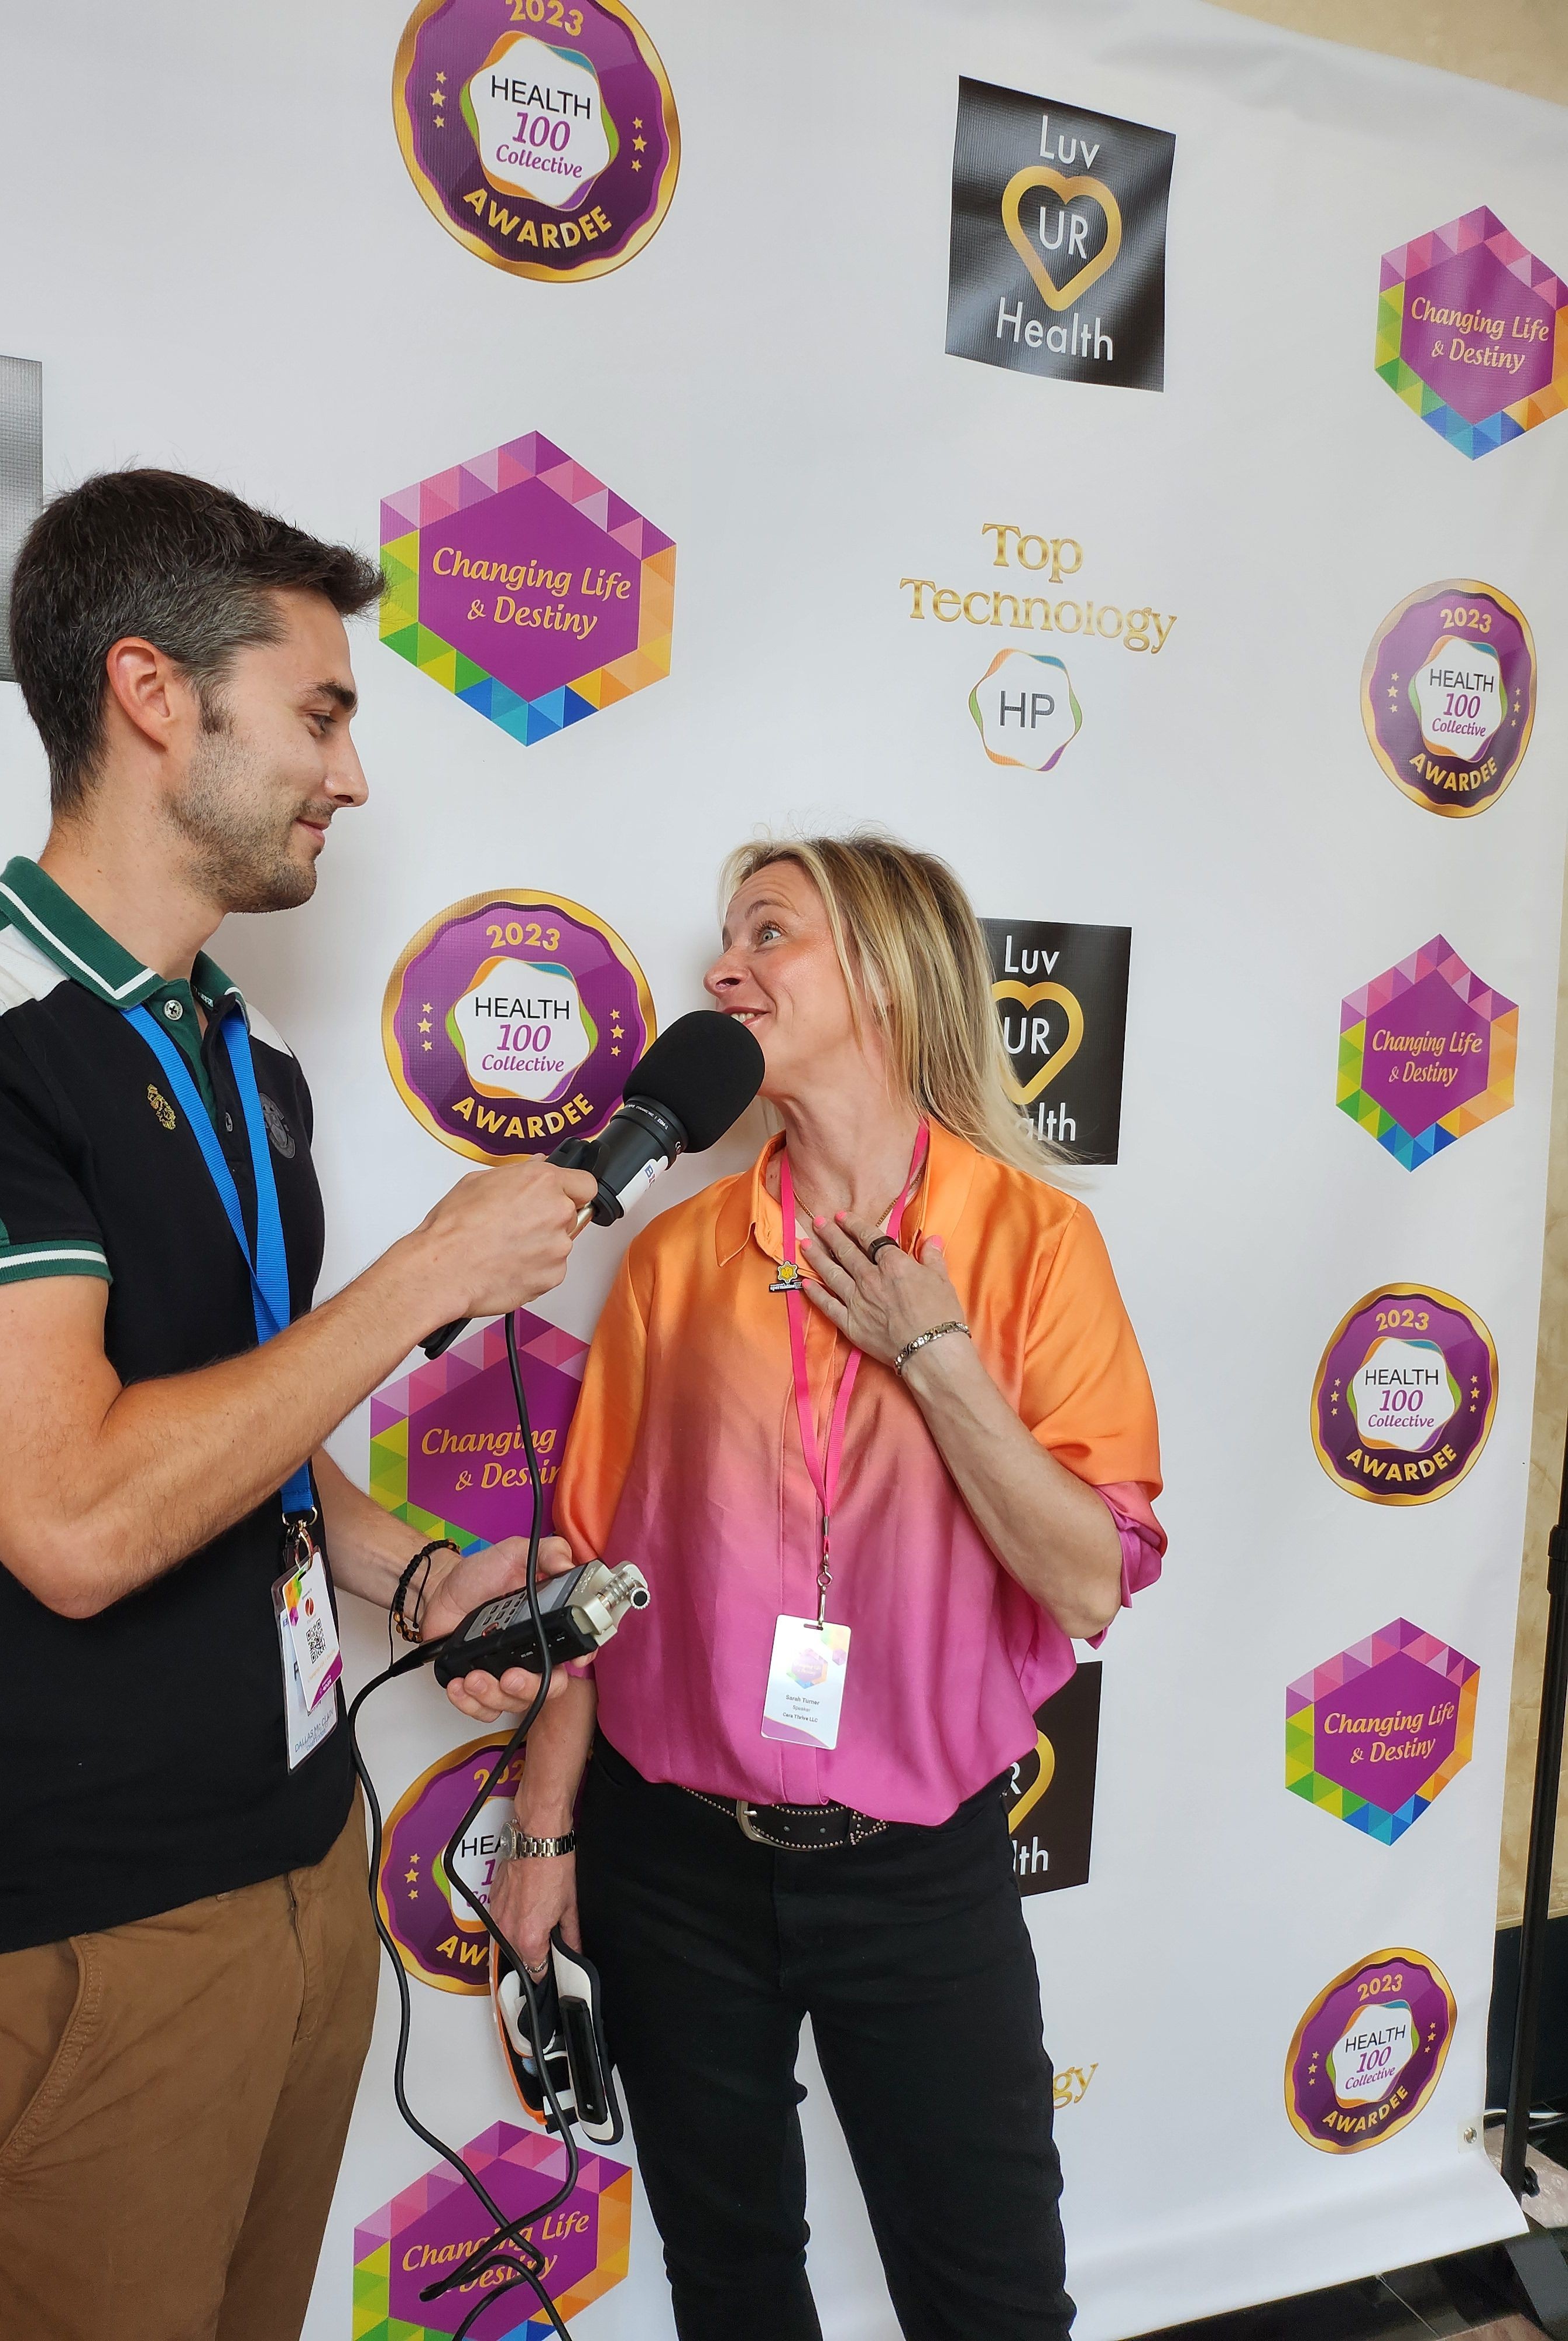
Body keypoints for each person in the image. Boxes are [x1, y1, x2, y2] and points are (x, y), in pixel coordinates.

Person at [0, 469, 597, 2341]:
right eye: (320, 711)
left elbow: (225, 1421)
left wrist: (418, 1579)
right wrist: (427, 1276)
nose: (353, 773)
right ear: (153, 693)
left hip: (304, 1868)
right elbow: (78, 1516)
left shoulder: (232, 1046)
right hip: (72, 1928)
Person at [489, 832, 1164, 2341]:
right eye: (727, 937)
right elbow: (592, 1580)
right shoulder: (673, 1260)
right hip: (673, 1867)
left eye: (769, 934)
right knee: (730, 2290)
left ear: (888, 973)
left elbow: (1087, 1582)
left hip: (916, 1874)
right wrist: (541, 1834)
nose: (723, 970)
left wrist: (937, 1357)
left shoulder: (1034, 1244)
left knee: (991, 2301)